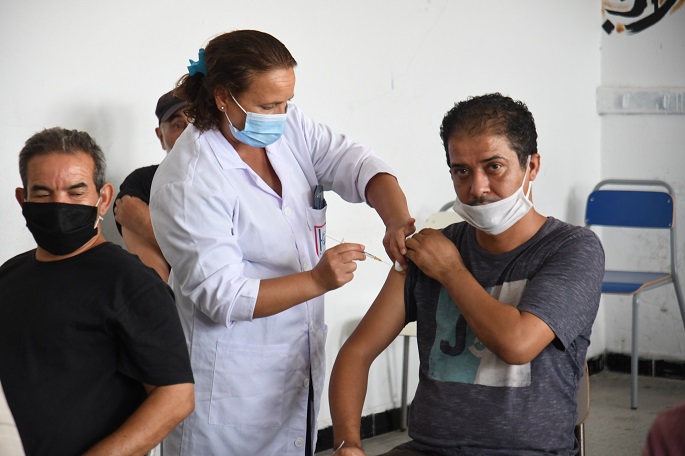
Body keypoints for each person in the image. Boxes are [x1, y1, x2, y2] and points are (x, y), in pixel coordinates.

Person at [149, 29, 415, 456]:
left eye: (287, 101)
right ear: (223, 97)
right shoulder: (190, 178)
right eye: (268, 105)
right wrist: (317, 281)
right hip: (230, 394)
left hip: (292, 376)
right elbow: (222, 296)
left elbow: (357, 162)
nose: (281, 114)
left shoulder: (288, 128)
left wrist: (396, 219)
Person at [329, 93, 605, 455]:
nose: (477, 188)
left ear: (532, 166)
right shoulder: (430, 250)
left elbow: (517, 345)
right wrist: (347, 444)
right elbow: (356, 352)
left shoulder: (572, 248)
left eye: (494, 167)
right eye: (461, 171)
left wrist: (450, 271)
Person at [0, 127, 195, 456]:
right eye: (43, 194)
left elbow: (176, 396)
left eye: (75, 192)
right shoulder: (9, 275)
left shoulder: (133, 283)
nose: (59, 204)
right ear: (24, 199)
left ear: (103, 198)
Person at [114, 90, 190, 281]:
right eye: (178, 125)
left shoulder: (233, 178)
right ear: (160, 135)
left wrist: (145, 223)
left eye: (197, 123)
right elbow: (155, 279)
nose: (189, 134)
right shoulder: (142, 183)